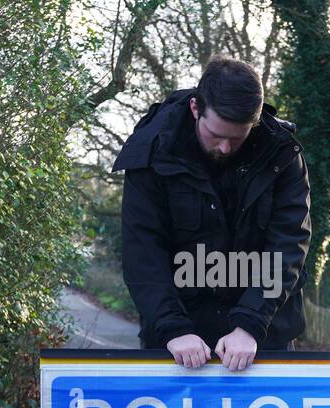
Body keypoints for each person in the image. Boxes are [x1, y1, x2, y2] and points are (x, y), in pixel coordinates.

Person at [113, 56, 312, 370]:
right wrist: (173, 327)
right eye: (215, 136)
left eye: (237, 138)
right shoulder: (150, 152)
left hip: (264, 333)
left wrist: (250, 323)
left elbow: (288, 244)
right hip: (178, 337)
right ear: (195, 109)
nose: (225, 148)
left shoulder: (282, 153)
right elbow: (142, 251)